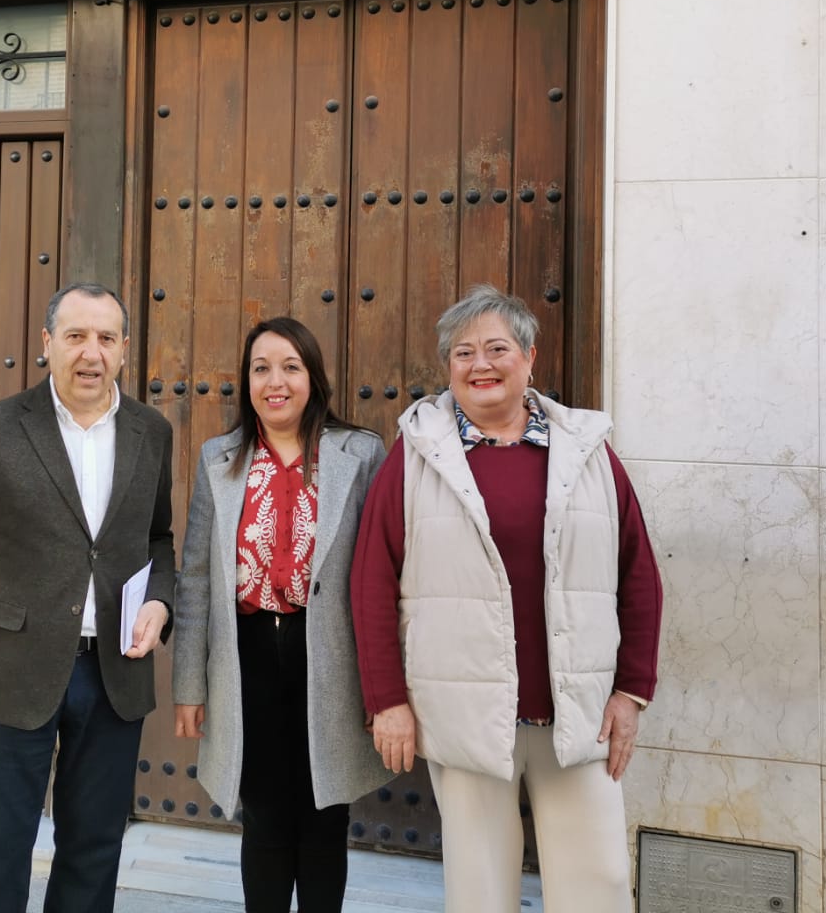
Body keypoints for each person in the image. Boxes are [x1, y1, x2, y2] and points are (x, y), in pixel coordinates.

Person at [350, 284, 662, 913]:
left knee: (596, 884)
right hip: (464, 711)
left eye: (497, 348)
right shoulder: (416, 457)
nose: (481, 365)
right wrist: (388, 702)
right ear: (447, 368)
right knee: (479, 889)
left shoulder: (588, 454)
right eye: (463, 353)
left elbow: (639, 576)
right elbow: (371, 582)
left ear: (530, 358)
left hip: (577, 712)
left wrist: (631, 691)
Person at [0, 281, 175, 913]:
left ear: (123, 349)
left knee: (94, 850)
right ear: (47, 344)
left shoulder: (151, 430)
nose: (91, 353)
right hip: (14, 669)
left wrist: (161, 603)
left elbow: (160, 539)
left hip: (115, 674)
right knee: (0, 851)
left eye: (106, 338)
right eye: (75, 336)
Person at [172, 317, 392, 912]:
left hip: (331, 657)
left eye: (291, 367)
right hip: (246, 657)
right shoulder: (220, 458)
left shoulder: (360, 453)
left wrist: (384, 691)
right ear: (246, 381)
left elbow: (383, 577)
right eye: (261, 368)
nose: (276, 381)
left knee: (324, 815)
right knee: (264, 815)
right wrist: (190, 685)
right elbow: (195, 576)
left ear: (312, 378)